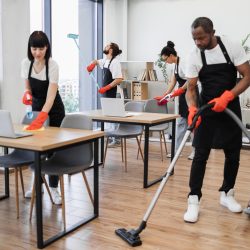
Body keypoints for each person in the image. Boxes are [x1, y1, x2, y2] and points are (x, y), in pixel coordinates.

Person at [184, 17, 250, 223]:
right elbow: (191, 88)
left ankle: (227, 194)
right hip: (207, 107)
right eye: (194, 39)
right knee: (200, 154)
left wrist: (228, 96)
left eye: (201, 38)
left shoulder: (230, 45)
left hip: (229, 105)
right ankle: (193, 199)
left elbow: (247, 76)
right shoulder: (194, 55)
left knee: (233, 153)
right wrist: (192, 108)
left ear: (212, 32)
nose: (198, 43)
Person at [21, 31, 65, 205]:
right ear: (30, 48)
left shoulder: (52, 65)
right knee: (37, 148)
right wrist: (27, 96)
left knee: (53, 151)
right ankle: (37, 185)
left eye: (41, 48)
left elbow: (50, 98)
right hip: (37, 106)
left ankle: (54, 188)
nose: (37, 53)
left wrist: (41, 117)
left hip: (53, 109)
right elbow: (28, 89)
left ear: (47, 47)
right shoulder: (26, 63)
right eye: (34, 48)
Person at [154, 41, 196, 159]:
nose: (166, 62)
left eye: (166, 59)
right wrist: (166, 94)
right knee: (181, 123)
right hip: (183, 96)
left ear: (171, 56)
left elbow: (190, 80)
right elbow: (173, 81)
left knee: (193, 122)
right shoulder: (175, 66)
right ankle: (176, 150)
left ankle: (195, 151)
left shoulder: (184, 63)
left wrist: (179, 91)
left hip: (192, 93)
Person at [87, 42, 123, 147]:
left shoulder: (115, 62)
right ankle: (113, 137)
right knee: (108, 115)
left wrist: (107, 87)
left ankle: (116, 140)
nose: (105, 47)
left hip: (113, 92)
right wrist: (92, 65)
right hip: (106, 93)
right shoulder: (106, 61)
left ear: (111, 50)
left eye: (107, 46)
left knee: (113, 116)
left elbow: (119, 79)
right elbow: (96, 61)